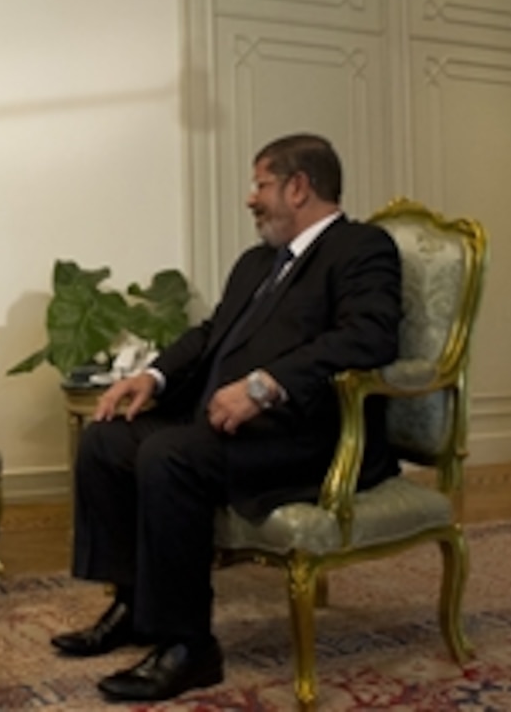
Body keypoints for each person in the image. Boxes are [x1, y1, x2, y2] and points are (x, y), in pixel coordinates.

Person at [49, 134, 404, 702]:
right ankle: (135, 606)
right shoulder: (257, 262)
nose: (250, 199)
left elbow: (369, 336)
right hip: (223, 424)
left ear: (298, 186)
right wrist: (154, 377)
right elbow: (211, 336)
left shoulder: (361, 247)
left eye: (260, 185)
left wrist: (266, 387)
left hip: (307, 433)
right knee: (106, 439)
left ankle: (188, 646)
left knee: (169, 456)